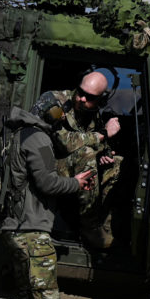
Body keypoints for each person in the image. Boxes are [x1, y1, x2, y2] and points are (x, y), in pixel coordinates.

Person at [1, 105, 95, 299]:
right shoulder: (38, 138)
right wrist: (76, 184)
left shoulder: (18, 135)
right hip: (31, 230)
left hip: (15, 230)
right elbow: (47, 182)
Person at [31, 70, 123, 248]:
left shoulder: (93, 112)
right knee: (86, 154)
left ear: (99, 100)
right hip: (44, 164)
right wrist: (103, 134)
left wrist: (104, 154)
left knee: (116, 163)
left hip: (70, 165)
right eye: (81, 92)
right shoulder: (55, 102)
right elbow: (64, 141)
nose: (82, 99)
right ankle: (89, 226)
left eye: (89, 97)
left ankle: (103, 221)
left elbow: (92, 142)